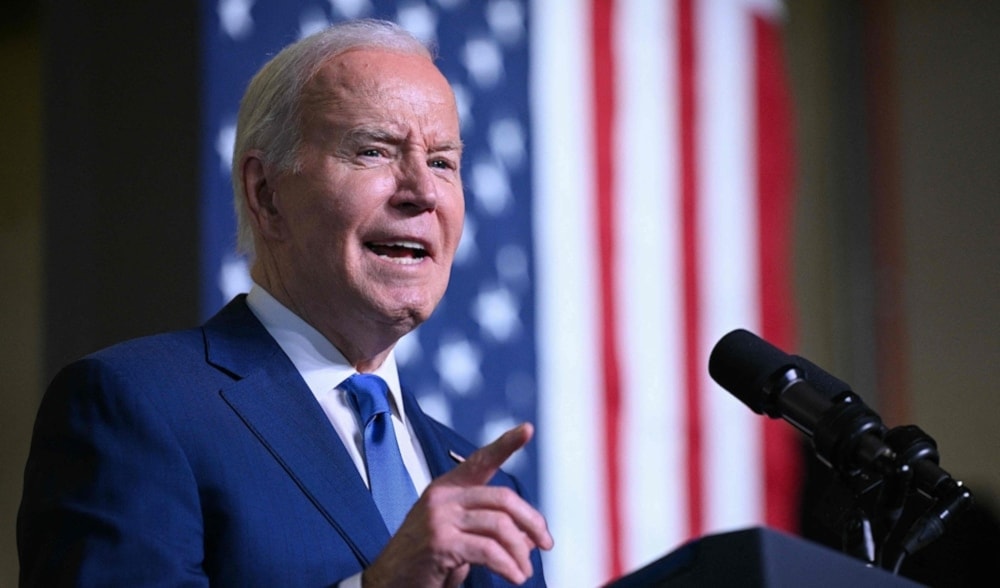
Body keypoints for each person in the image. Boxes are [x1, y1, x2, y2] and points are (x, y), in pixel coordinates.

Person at [18, 18, 552, 587]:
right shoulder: (136, 408)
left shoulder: (486, 492)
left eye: (443, 161)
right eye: (373, 151)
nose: (422, 192)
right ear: (266, 194)